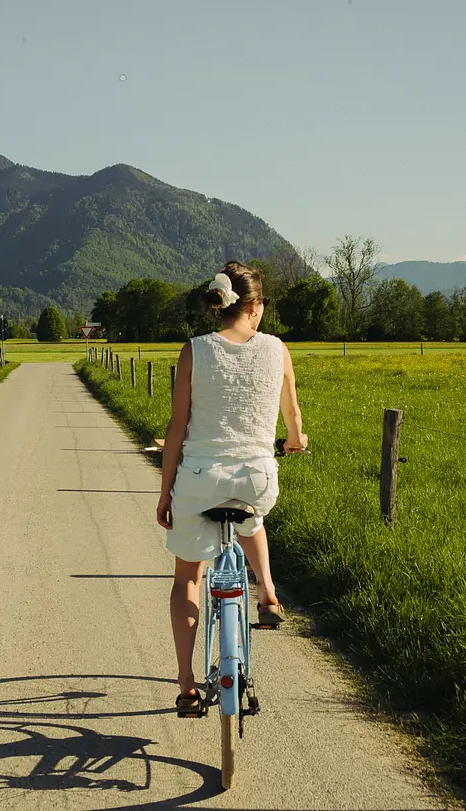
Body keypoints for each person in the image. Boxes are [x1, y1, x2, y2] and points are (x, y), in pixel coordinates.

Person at [156, 260, 307, 717]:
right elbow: (294, 419)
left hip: (201, 479)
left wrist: (165, 493)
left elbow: (177, 430)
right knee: (253, 518)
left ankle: (186, 684)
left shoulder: (195, 350)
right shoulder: (277, 350)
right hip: (258, 475)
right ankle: (268, 596)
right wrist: (295, 442)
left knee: (188, 578)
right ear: (255, 307)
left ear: (221, 306)